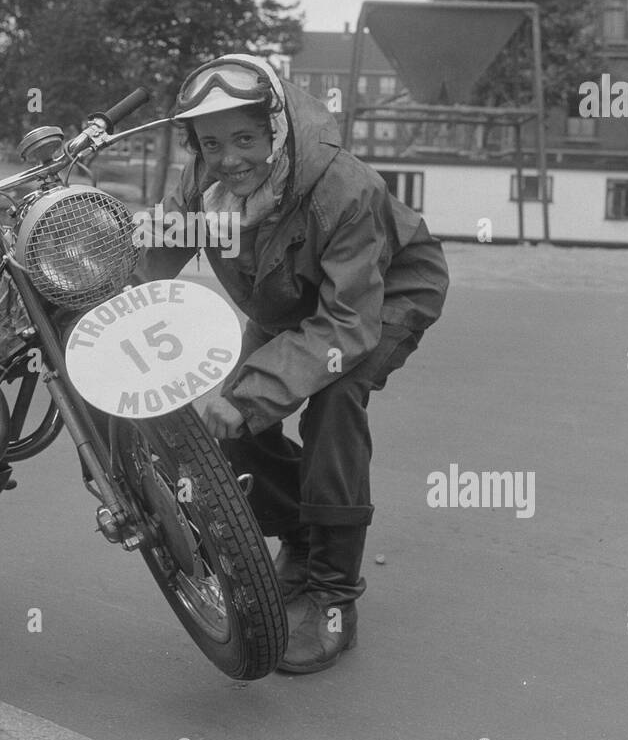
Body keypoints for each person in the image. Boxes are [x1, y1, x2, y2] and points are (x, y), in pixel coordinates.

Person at [134, 53, 448, 674]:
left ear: (276, 127)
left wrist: (248, 397)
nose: (230, 159)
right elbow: (151, 257)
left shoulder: (344, 186)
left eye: (245, 138)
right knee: (224, 420)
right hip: (286, 303)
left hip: (382, 297)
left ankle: (333, 598)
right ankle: (301, 542)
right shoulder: (201, 184)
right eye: (212, 143)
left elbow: (346, 324)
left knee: (333, 403)